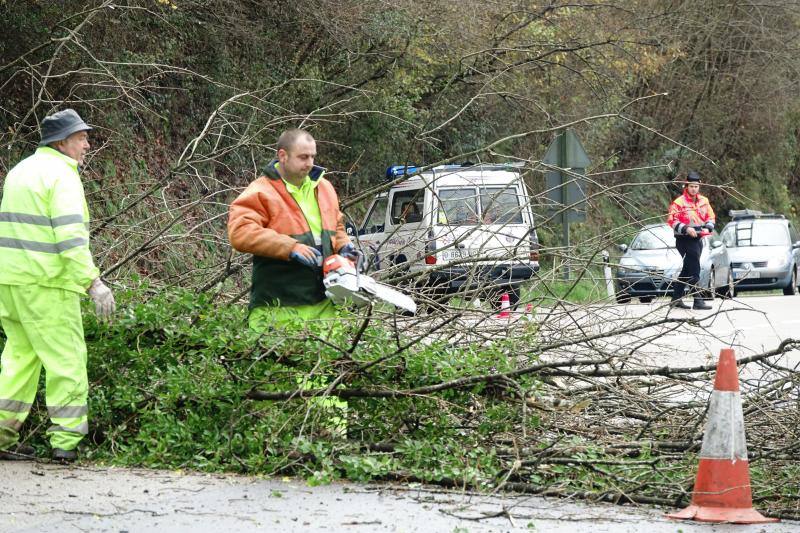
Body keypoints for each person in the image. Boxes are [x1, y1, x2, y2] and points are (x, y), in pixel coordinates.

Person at [0, 109, 115, 463]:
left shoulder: (21, 171)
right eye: (81, 138)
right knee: (67, 359)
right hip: (47, 284)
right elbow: (69, 239)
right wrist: (93, 283)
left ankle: (1, 432)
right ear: (62, 142)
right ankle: (65, 443)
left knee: (19, 359)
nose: (87, 144)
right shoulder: (61, 176)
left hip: (11, 282)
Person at [227, 128, 355, 330]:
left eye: (313, 156)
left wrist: (345, 246)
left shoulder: (324, 187)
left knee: (332, 360)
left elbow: (336, 225)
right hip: (277, 306)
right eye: (303, 157)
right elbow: (240, 232)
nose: (310, 163)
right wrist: (290, 247)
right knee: (273, 361)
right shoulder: (261, 191)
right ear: (282, 155)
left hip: (324, 304)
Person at [666, 170, 715, 310]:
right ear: (686, 186)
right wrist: (686, 229)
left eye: (696, 186)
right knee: (694, 269)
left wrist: (709, 226)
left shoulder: (704, 201)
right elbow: (671, 220)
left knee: (687, 270)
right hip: (684, 240)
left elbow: (710, 216)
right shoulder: (679, 202)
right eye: (691, 186)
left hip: (698, 239)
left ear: (699, 186)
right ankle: (698, 300)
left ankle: (676, 299)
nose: (694, 189)